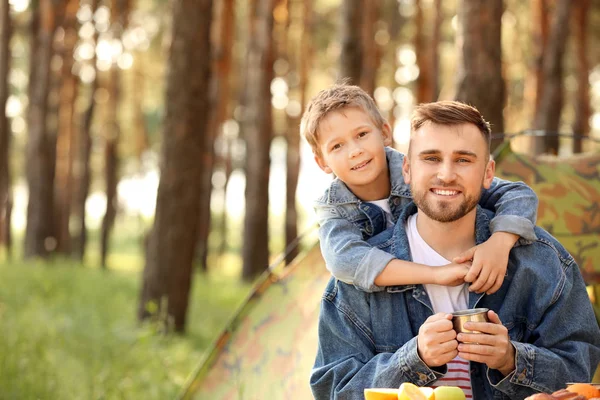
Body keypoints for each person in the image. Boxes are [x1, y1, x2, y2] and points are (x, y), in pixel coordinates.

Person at [309, 101, 600, 400]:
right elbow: (334, 390)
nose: (446, 174)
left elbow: (579, 371)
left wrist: (512, 359)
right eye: (431, 158)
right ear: (406, 168)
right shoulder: (358, 279)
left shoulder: (544, 261)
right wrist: (413, 358)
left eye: (463, 160)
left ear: (488, 174)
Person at [301, 83, 538, 295]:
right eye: (337, 146)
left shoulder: (420, 171)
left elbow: (517, 194)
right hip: (393, 300)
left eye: (362, 134)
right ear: (322, 162)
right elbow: (345, 260)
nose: (355, 151)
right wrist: (434, 273)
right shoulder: (333, 208)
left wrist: (499, 242)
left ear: (384, 133)